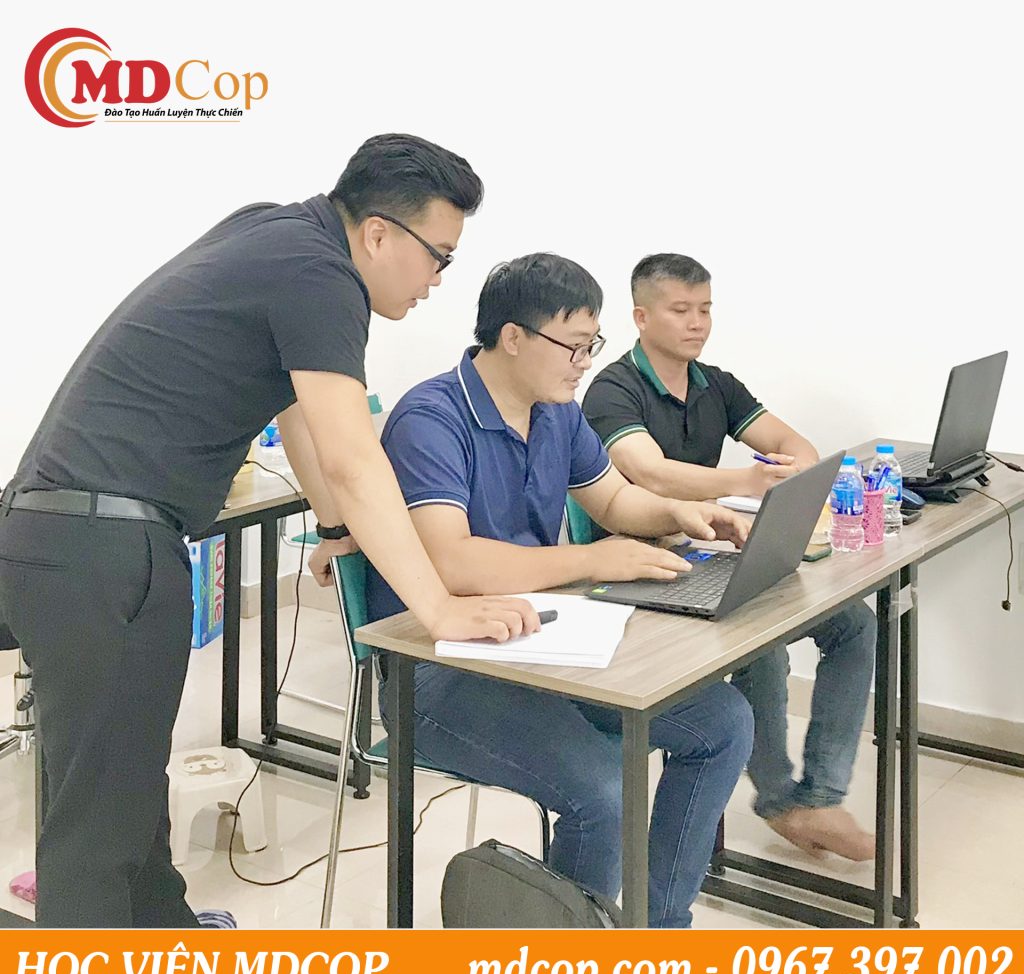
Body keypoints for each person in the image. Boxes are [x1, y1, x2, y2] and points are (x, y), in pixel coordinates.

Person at [0, 134, 538, 928]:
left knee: (126, 796)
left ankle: (168, 938)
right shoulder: (322, 276)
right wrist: (439, 607)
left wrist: (332, 523)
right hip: (105, 552)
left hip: (59, 536)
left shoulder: (273, 231)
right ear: (379, 233)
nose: (436, 281)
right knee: (97, 838)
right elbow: (353, 455)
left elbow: (295, 410)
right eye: (439, 257)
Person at [360, 253, 755, 928]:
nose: (585, 363)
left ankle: (656, 929)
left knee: (722, 723)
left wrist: (680, 512)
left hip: (542, 644)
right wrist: (595, 557)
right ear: (514, 337)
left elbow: (614, 499)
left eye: (592, 345)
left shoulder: (556, 411)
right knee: (603, 790)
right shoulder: (431, 417)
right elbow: (452, 564)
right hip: (437, 671)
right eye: (574, 346)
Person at [583, 253, 876, 861]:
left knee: (854, 624)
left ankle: (822, 794)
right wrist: (746, 480)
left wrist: (792, 466)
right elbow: (648, 471)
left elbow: (791, 441)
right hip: (638, 565)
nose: (698, 323)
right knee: (760, 644)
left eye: (706, 309)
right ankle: (782, 802)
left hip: (707, 548)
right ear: (641, 317)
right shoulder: (613, 388)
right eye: (681, 310)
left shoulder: (715, 382)